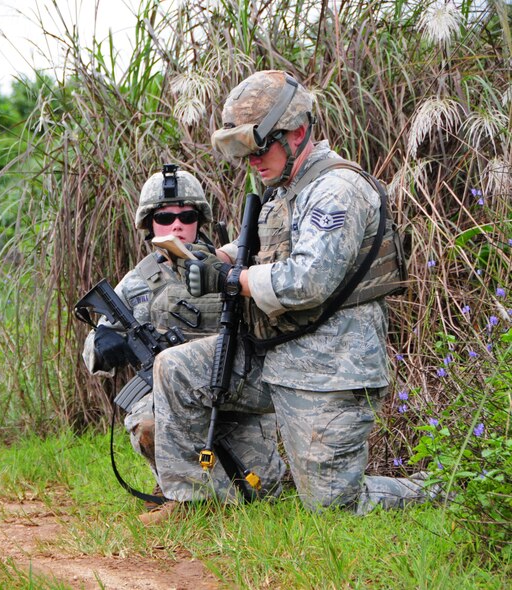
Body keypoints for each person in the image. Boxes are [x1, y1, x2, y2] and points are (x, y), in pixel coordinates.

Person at [160, 70, 422, 516]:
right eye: (243, 153)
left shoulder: (336, 190)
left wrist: (233, 281)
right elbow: (267, 251)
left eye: (258, 149)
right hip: (277, 354)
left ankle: (444, 490)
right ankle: (196, 501)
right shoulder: (286, 192)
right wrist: (217, 259)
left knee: (334, 506)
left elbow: (308, 279)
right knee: (177, 369)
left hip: (331, 370)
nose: (252, 163)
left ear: (297, 133)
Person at [83, 165, 285, 523]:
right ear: (149, 225)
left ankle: (209, 491)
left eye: (186, 216)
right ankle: (176, 491)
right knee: (147, 423)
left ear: (199, 220)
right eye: (164, 217)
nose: (176, 226)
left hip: (231, 392)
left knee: (261, 488)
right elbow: (96, 344)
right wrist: (106, 345)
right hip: (166, 398)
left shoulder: (229, 268)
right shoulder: (137, 281)